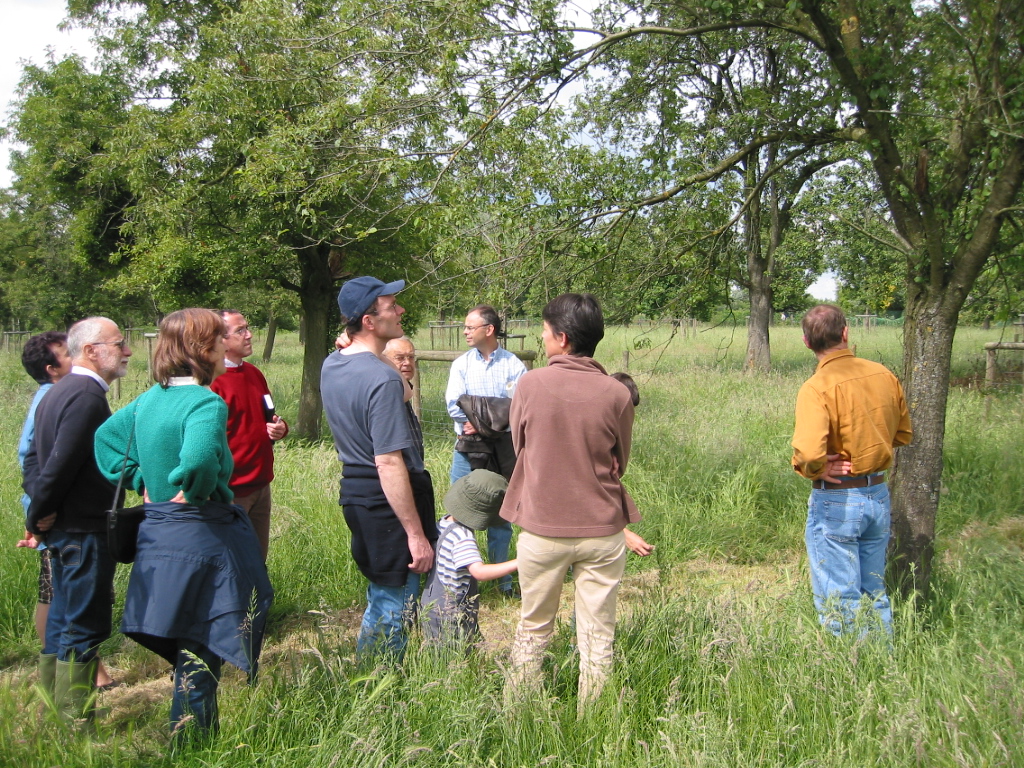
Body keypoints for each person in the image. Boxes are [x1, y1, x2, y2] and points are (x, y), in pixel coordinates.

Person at [94, 308, 273, 745]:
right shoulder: (204, 401)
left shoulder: (150, 398)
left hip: (160, 534)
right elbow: (196, 459)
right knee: (205, 636)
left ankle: (187, 735)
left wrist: (142, 480)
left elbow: (106, 438)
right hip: (202, 533)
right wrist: (189, 489)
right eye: (216, 342)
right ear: (204, 349)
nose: (220, 350)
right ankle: (192, 743)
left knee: (187, 637)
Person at [501, 293, 640, 713]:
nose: (543, 339)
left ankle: (520, 715)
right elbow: (622, 461)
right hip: (602, 528)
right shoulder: (616, 393)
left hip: (542, 528)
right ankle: (593, 721)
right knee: (599, 636)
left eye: (545, 332)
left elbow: (519, 444)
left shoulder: (529, 383)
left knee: (533, 627)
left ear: (562, 338)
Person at [22, 318, 132, 727]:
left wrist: (42, 510)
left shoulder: (58, 391)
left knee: (63, 620)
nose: (127, 351)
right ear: (91, 350)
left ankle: (52, 708)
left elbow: (34, 461)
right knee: (82, 626)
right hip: (83, 531)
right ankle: (74, 724)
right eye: (119, 344)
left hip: (66, 528)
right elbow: (58, 465)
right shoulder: (85, 396)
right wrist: (39, 515)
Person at [321, 277, 437, 658]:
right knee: (394, 602)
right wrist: (416, 535)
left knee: (382, 592)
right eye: (391, 306)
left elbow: (402, 390)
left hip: (356, 496)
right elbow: (388, 462)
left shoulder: (332, 364)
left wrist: (363, 350)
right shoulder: (381, 377)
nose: (401, 310)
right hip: (387, 500)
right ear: (370, 321)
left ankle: (368, 675)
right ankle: (381, 688)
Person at [791, 304, 912, 636]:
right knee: (874, 591)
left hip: (839, 498)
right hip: (877, 494)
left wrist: (813, 468)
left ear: (806, 342)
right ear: (845, 333)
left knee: (838, 597)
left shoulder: (816, 387)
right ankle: (883, 668)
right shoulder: (884, 375)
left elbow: (809, 452)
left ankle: (850, 675)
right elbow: (902, 434)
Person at [445, 305, 526, 596]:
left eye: (470, 326)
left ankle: (503, 584)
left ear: (488, 330)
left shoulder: (514, 365)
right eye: (465, 327)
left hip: (501, 452)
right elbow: (454, 404)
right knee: (459, 512)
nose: (465, 331)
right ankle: (458, 582)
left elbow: (518, 406)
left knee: (502, 517)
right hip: (467, 451)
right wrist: (490, 416)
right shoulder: (461, 364)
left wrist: (480, 420)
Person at [210, 310, 289, 561]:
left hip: (261, 485)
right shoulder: (212, 383)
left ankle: (257, 601)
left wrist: (279, 428)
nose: (249, 335)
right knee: (231, 566)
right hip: (231, 492)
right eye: (240, 330)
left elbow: (269, 416)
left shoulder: (254, 374)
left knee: (256, 561)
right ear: (220, 339)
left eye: (248, 328)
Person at [421, 469, 519, 646]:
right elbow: (479, 572)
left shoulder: (442, 524)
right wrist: (518, 563)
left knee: (437, 653)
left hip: (431, 604)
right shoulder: (462, 537)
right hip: (452, 611)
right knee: (457, 655)